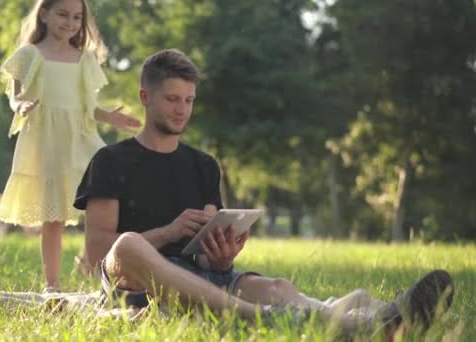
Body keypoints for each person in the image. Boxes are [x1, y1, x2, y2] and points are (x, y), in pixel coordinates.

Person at [73, 49, 453, 338]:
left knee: (277, 287)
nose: (182, 110)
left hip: (203, 279)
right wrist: (169, 233)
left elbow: (210, 261)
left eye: (189, 100)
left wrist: (221, 258)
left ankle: (376, 323)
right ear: (145, 96)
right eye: (172, 99)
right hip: (136, 283)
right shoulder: (111, 160)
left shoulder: (203, 165)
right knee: (128, 244)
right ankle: (255, 318)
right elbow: (97, 255)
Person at [0, 0, 141, 293]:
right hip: (46, 141)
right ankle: (52, 284)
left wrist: (108, 116)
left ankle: (90, 262)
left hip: (80, 139)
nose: (70, 22)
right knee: (54, 217)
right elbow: (15, 96)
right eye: (63, 14)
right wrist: (20, 104)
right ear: (45, 14)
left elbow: (86, 106)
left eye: (77, 17)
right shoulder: (29, 54)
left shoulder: (84, 59)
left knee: (106, 200)